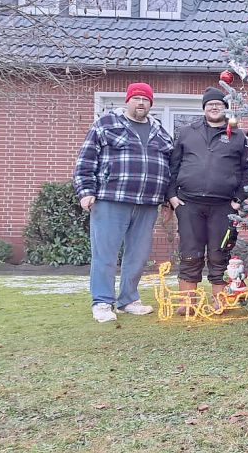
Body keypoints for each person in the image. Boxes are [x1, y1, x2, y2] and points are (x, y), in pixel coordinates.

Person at [73, 82, 173, 323]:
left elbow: (171, 169)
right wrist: (86, 191)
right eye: (136, 98)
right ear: (127, 101)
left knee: (137, 256)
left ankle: (128, 299)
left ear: (151, 104)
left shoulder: (160, 131)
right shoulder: (106, 124)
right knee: (105, 254)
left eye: (145, 99)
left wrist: (167, 201)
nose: (141, 103)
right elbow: (85, 160)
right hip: (111, 199)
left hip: (148, 203)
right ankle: (102, 302)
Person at [167, 87, 248, 313]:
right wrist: (172, 196)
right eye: (209, 104)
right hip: (188, 204)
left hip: (224, 206)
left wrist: (238, 199)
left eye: (218, 103)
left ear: (225, 107)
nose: (214, 107)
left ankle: (220, 300)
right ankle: (188, 301)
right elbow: (172, 166)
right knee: (190, 251)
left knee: (219, 252)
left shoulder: (239, 136)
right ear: (204, 108)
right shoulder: (187, 132)